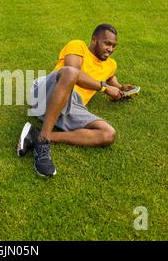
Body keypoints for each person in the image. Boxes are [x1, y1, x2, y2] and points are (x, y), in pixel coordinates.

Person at [17, 24, 136, 177]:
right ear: (94, 40)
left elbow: (111, 79)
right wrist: (105, 88)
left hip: (71, 106)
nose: (110, 49)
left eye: (114, 46)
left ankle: (37, 135)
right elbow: (74, 74)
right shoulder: (78, 46)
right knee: (71, 72)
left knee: (108, 134)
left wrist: (120, 89)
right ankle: (43, 142)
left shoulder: (111, 65)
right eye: (107, 43)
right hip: (46, 93)